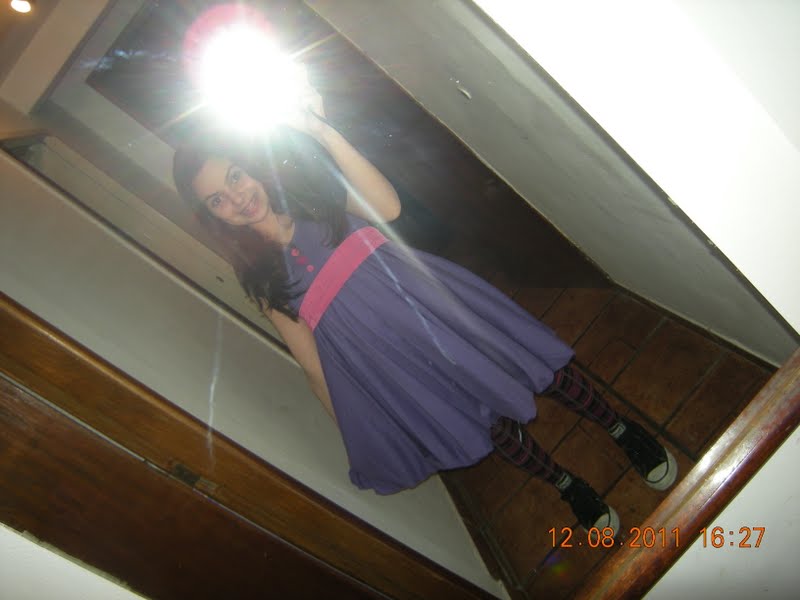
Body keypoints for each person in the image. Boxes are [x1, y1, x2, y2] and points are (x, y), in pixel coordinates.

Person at [172, 83, 678, 535]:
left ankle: (620, 428)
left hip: (442, 309)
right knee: (483, 419)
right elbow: (314, 367)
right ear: (212, 216)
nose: (237, 198)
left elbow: (387, 207)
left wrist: (321, 131)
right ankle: (566, 484)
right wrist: (364, 428)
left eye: (235, 176)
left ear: (250, 164)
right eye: (217, 200)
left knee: (527, 364)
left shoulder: (309, 193)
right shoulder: (262, 280)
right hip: (398, 362)